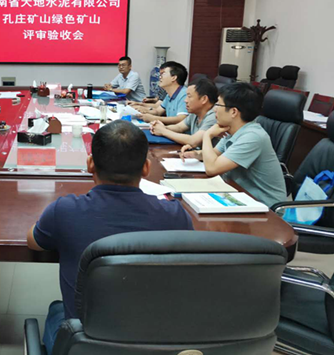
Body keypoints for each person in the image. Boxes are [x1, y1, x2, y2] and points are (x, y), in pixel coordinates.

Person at [27, 120, 193, 353]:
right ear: (146, 168)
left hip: (86, 346)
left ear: (90, 164)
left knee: (57, 311)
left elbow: (33, 242)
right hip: (154, 344)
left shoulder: (65, 211)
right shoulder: (175, 216)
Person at [181, 82, 287, 207]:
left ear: (233, 112)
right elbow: (214, 155)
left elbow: (212, 169)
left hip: (264, 206)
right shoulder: (233, 129)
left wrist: (207, 135)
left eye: (218, 104)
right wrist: (195, 154)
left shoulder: (252, 137)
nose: (214, 109)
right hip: (239, 194)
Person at [150, 78, 218, 147]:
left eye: (189, 96)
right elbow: (179, 127)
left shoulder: (214, 117)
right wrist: (160, 127)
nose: (185, 100)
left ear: (204, 99)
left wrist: (163, 131)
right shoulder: (196, 113)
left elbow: (193, 141)